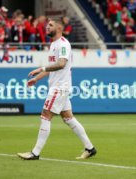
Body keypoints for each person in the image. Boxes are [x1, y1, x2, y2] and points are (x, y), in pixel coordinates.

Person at [17, 18, 96, 160]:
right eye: (47, 25)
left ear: (59, 28)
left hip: (60, 87)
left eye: (51, 25)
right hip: (58, 86)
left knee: (45, 115)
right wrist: (37, 78)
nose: (47, 27)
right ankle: (90, 148)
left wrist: (41, 68)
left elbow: (61, 64)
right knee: (68, 118)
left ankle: (35, 153)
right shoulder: (53, 44)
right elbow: (52, 68)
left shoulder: (63, 45)